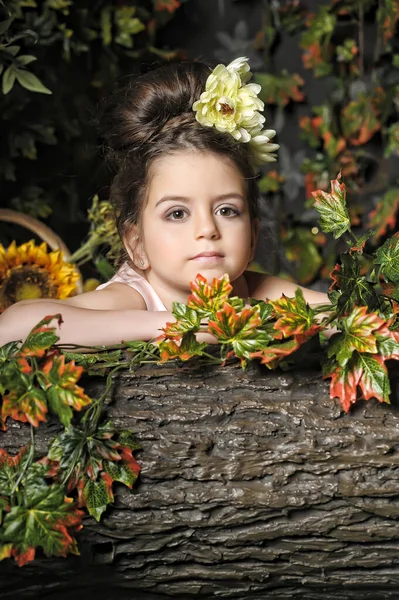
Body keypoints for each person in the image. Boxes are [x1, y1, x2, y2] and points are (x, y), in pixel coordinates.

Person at [0, 57, 328, 348]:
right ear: (136, 244)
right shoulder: (138, 298)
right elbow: (13, 326)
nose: (207, 229)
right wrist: (174, 325)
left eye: (226, 210)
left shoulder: (250, 289)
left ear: (253, 234)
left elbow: (341, 315)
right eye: (177, 213)